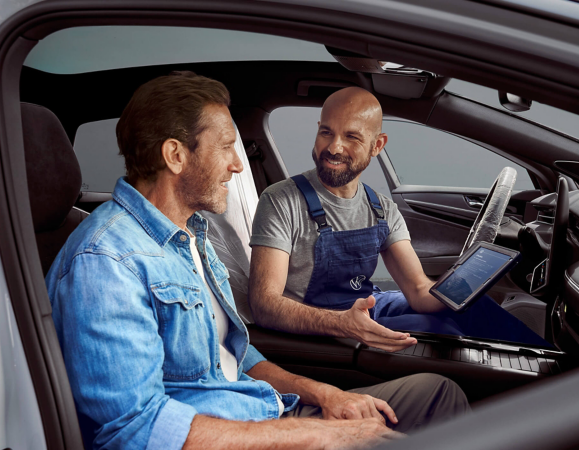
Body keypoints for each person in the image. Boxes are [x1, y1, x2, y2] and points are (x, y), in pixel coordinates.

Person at [45, 72, 469, 450]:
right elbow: (135, 431)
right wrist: (319, 435)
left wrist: (325, 395)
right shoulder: (105, 262)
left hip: (258, 411)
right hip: (228, 432)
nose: (236, 164)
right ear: (176, 155)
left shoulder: (191, 237)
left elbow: (234, 357)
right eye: (227, 147)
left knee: (438, 395)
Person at [248, 87, 547, 352]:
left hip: (369, 308)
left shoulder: (383, 209)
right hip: (322, 329)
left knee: (474, 308)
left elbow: (418, 292)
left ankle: (558, 373)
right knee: (442, 333)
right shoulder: (280, 200)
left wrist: (463, 282)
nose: (334, 147)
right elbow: (265, 305)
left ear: (377, 145)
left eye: (351, 136)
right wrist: (343, 323)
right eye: (326, 132)